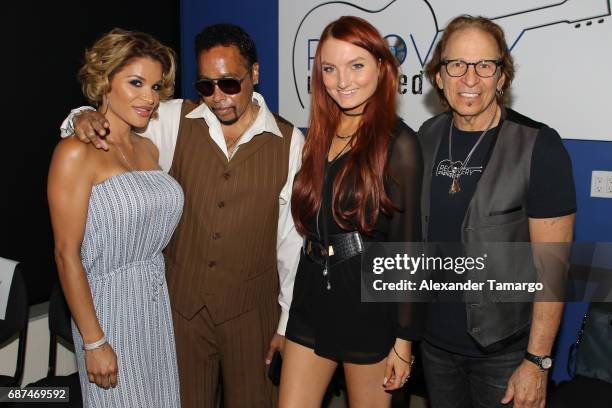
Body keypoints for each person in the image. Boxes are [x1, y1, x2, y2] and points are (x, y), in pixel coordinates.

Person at [61, 24, 304, 408]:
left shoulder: (291, 142)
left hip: (251, 314)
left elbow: (292, 242)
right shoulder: (173, 119)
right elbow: (113, 126)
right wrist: (81, 116)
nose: (218, 97)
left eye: (229, 83)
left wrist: (286, 324)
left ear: (254, 74)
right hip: (177, 314)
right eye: (206, 86)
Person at [418, 15, 576, 408]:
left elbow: (552, 268)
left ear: (502, 76)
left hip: (504, 354)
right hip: (435, 346)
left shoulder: (540, 146)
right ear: (439, 76)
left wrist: (537, 362)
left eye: (484, 65)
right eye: (456, 64)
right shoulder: (425, 138)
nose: (469, 79)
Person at [280, 16, 423, 407]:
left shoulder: (400, 143)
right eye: (329, 68)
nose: (342, 80)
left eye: (356, 65)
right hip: (312, 294)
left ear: (382, 67)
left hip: (367, 300)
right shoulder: (317, 135)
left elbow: (409, 248)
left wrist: (404, 339)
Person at [48, 28, 181, 407]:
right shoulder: (77, 151)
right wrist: (93, 340)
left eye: (156, 87)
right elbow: (65, 254)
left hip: (155, 309)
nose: (148, 98)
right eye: (135, 83)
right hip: (107, 311)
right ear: (105, 82)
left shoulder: (150, 148)